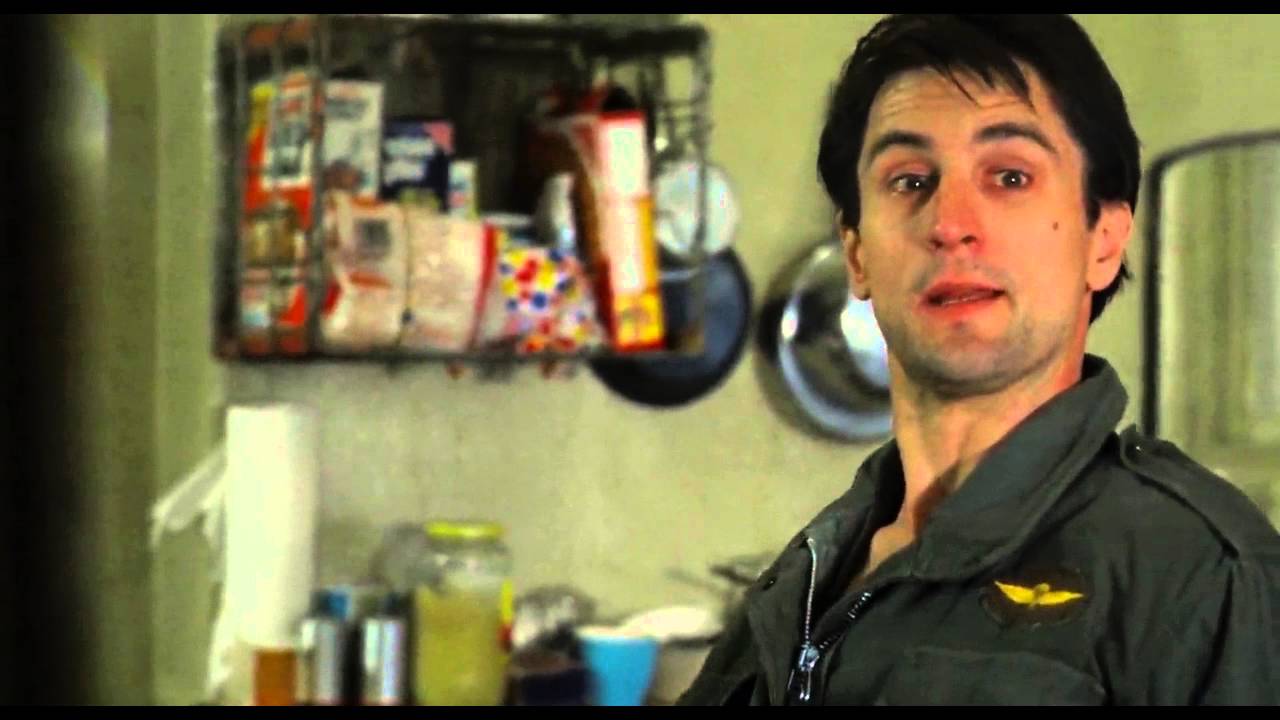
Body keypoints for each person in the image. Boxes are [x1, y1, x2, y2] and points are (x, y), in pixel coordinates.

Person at [678, 14, 1280, 705]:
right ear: (857, 254)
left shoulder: (1201, 577)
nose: (949, 223)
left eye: (1010, 176)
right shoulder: (805, 576)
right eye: (909, 180)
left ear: (1104, 241)